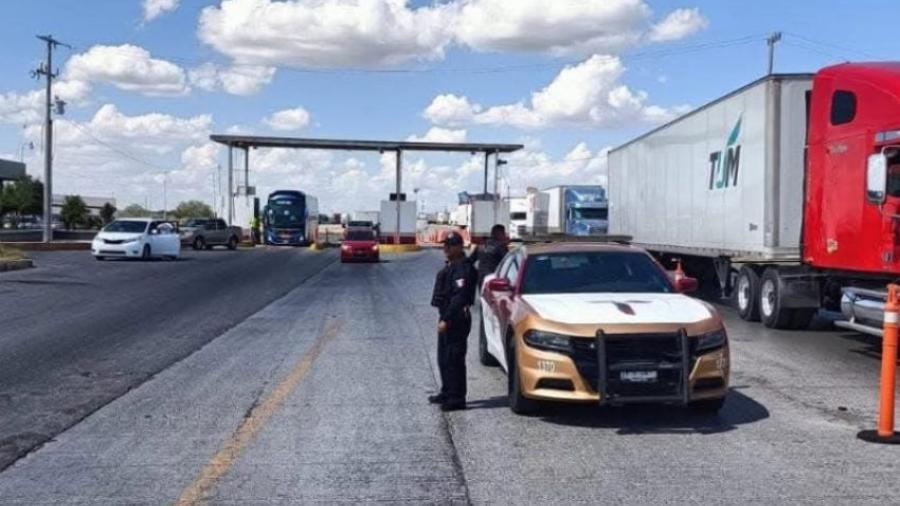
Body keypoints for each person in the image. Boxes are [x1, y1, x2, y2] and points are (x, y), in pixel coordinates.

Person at [429, 231, 478, 411]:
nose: (446, 249)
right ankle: (447, 391)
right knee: (444, 358)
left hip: (456, 318)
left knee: (454, 360)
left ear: (458, 247)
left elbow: (459, 298)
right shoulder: (452, 265)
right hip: (447, 316)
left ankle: (457, 398)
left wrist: (446, 319)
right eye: (445, 245)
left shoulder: (464, 269)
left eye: (449, 246)